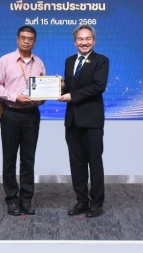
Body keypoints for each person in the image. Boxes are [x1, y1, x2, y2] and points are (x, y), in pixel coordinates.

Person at [0, 25, 46, 216]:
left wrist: (43, 97)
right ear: (17, 39)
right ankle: (12, 199)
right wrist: (15, 97)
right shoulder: (5, 60)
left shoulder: (39, 63)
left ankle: (26, 199)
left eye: (30, 39)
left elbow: (43, 89)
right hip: (11, 114)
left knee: (28, 159)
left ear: (34, 42)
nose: (26, 41)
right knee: (9, 158)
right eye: (23, 38)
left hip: (32, 115)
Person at [58, 25, 109, 218]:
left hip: (92, 120)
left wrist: (72, 96)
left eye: (88, 39)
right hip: (72, 120)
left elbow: (98, 86)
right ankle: (81, 201)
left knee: (94, 163)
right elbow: (70, 88)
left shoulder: (101, 60)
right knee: (76, 163)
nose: (84, 42)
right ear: (75, 42)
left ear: (93, 41)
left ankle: (96, 203)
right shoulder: (69, 60)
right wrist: (59, 86)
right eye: (80, 39)